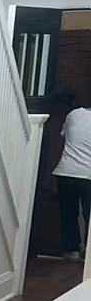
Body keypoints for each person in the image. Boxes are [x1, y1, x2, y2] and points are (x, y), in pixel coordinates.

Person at [53, 100, 91, 260]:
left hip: (66, 171)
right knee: (89, 216)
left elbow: (64, 135)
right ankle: (88, 254)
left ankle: (71, 251)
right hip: (88, 174)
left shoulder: (74, 114)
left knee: (68, 214)